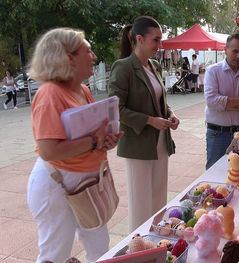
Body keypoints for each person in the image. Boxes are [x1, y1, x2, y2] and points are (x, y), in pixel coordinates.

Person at [26, 28, 122, 263]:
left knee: (100, 249)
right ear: (68, 57)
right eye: (87, 51)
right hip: (56, 186)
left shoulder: (83, 90)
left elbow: (92, 138)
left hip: (86, 184)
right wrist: (94, 141)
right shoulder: (49, 93)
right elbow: (49, 151)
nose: (94, 57)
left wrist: (105, 141)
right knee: (54, 254)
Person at [108, 16, 180, 231]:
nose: (160, 45)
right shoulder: (123, 67)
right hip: (137, 144)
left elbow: (159, 102)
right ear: (139, 39)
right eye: (155, 40)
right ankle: (139, 247)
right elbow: (116, 109)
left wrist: (170, 114)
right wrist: (149, 121)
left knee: (159, 199)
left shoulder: (154, 65)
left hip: (160, 141)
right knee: (140, 203)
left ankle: (157, 240)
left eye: (160, 40)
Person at [204, 33, 239, 169]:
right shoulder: (213, 71)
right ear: (225, 49)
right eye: (235, 51)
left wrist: (225, 104)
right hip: (218, 135)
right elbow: (211, 101)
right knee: (215, 173)